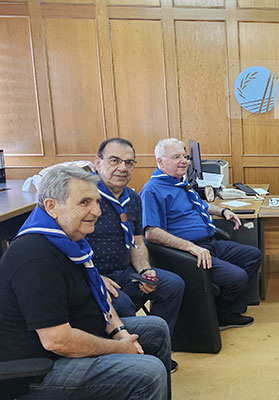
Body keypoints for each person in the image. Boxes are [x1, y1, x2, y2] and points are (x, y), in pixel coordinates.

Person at [0, 165, 171, 399]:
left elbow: (99, 296)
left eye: (97, 202)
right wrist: (118, 348)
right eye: (84, 202)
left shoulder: (71, 241)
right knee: (148, 373)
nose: (97, 211)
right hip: (40, 367)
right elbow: (57, 341)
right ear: (51, 206)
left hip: (78, 333)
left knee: (156, 329)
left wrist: (120, 332)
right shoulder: (35, 257)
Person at [140, 138, 261, 330]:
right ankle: (220, 317)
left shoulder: (179, 183)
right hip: (187, 253)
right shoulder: (152, 190)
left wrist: (223, 211)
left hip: (209, 243)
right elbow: (151, 233)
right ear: (160, 162)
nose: (183, 161)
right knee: (237, 277)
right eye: (176, 157)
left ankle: (224, 309)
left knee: (252, 256)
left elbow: (200, 205)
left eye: (185, 156)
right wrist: (191, 248)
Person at [86, 138, 185, 372]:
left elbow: (137, 241)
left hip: (124, 272)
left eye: (129, 163)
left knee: (172, 285)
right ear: (98, 163)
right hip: (93, 278)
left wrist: (145, 270)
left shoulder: (133, 198)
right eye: (114, 160)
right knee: (123, 305)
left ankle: (156, 349)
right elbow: (65, 247)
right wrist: (93, 277)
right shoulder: (84, 196)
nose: (122, 168)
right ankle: (133, 359)